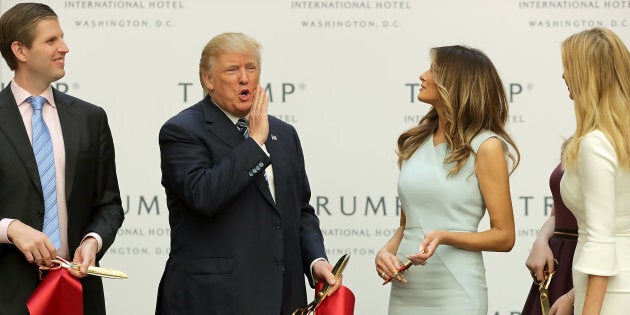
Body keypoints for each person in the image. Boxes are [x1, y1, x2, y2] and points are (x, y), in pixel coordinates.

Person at [155, 32, 340, 315]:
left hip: (282, 299)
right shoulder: (182, 131)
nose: (245, 78)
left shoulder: (284, 133)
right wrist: (254, 143)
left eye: (251, 68)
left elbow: (299, 210)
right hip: (214, 301)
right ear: (208, 80)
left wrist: (316, 260)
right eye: (232, 70)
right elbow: (204, 196)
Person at [375, 45, 520, 314]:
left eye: (433, 70)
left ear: (455, 82)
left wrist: (444, 236)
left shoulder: (485, 146)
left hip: (456, 293)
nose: (422, 75)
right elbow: (408, 225)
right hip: (407, 291)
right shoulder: (415, 143)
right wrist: (386, 252)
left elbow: (505, 236)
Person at [0, 3, 124, 315]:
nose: (64, 48)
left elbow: (109, 204)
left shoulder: (90, 118)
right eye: (51, 40)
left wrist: (93, 241)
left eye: (62, 38)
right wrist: (10, 227)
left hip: (78, 293)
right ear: (20, 51)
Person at [558, 27, 630, 315]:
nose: (563, 76)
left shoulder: (596, 143)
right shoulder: (618, 139)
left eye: (568, 67)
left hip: (609, 293)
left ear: (586, 75)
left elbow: (602, 239)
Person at [521, 162, 578, 315]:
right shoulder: (576, 142)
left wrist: (573, 296)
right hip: (557, 265)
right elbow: (557, 214)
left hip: (591, 266)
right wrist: (541, 240)